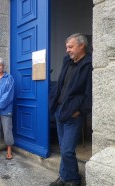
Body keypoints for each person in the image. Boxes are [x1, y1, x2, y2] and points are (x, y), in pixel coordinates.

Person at [49, 33, 92, 186]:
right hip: (60, 111)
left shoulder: (89, 64)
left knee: (67, 150)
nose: (67, 50)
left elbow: (91, 93)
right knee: (65, 150)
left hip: (73, 114)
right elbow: (60, 85)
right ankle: (64, 177)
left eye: (70, 47)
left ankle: (74, 178)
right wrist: (53, 105)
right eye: (67, 47)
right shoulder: (67, 61)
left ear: (82, 46)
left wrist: (79, 111)